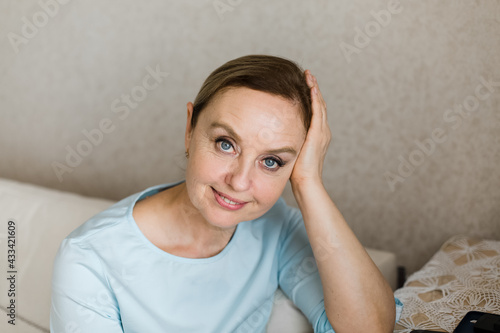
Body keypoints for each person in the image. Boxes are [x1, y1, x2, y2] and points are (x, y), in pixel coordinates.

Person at [50, 54, 402, 333]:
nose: (239, 181)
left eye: (272, 161)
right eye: (226, 144)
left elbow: (369, 329)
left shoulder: (275, 227)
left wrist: (309, 183)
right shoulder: (89, 259)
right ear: (190, 129)